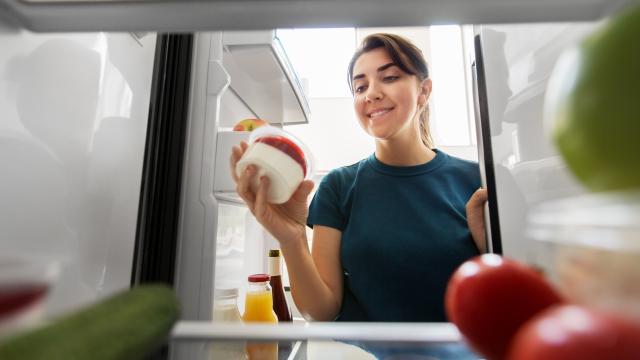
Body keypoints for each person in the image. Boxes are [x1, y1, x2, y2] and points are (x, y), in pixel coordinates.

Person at [231, 33, 488, 323]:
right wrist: (292, 238)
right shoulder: (338, 187)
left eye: (389, 77)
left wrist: (492, 252)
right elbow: (321, 311)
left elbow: (509, 296)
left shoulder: (476, 180)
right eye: (360, 86)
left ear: (424, 91)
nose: (371, 93)